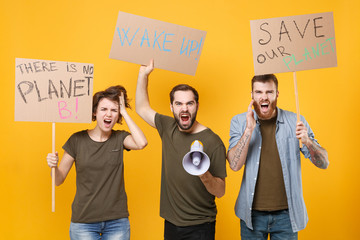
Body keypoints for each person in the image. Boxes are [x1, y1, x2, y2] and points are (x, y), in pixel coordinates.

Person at [227, 74, 329, 240]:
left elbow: (324, 163)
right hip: (251, 215)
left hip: (287, 217)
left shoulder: (295, 121)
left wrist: (308, 141)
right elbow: (234, 165)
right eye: (259, 92)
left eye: (269, 92)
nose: (264, 97)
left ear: (277, 94)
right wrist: (248, 130)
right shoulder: (239, 122)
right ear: (252, 95)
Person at [135, 60, 227, 240]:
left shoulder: (213, 141)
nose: (184, 108)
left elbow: (221, 191)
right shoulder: (167, 127)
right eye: (178, 104)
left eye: (189, 103)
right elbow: (141, 107)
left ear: (197, 106)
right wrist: (143, 75)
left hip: (201, 226)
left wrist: (204, 174)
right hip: (171, 224)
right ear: (171, 107)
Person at [46, 85, 147, 240]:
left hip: (117, 222)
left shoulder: (120, 138)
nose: (109, 114)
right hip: (84, 222)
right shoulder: (77, 140)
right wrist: (53, 166)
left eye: (114, 110)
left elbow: (141, 143)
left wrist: (125, 111)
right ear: (94, 112)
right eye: (103, 109)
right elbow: (58, 180)